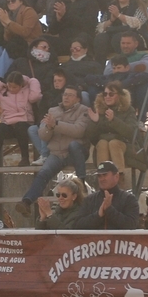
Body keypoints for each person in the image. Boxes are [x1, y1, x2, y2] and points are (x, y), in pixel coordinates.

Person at [71, 162, 139, 297]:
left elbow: (131, 225)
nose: (101, 179)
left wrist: (110, 210)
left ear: (116, 176)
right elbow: (78, 225)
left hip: (121, 262)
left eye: (105, 175)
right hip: (96, 261)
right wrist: (100, 213)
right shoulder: (91, 200)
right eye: (99, 175)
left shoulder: (128, 199)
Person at [37, 179, 87, 297]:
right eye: (58, 195)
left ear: (74, 196)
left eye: (64, 195)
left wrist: (50, 215)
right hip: (57, 266)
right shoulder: (57, 212)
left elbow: (67, 235)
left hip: (72, 267)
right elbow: (39, 236)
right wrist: (43, 218)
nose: (60, 198)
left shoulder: (79, 213)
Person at [19, 85, 92, 213]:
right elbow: (43, 136)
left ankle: (82, 182)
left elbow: (79, 131)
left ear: (78, 99)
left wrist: (56, 124)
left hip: (75, 152)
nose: (66, 97)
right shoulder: (52, 111)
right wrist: (49, 127)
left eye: (70, 95)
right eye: (65, 94)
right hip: (57, 153)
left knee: (74, 145)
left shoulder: (84, 110)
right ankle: (26, 201)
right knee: (43, 174)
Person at [0, 70, 40, 167]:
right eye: (10, 86)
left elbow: (35, 96)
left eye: (15, 87)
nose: (12, 89)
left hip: (24, 124)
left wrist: (31, 80)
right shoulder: (3, 93)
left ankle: (25, 158)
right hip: (9, 124)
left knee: (20, 126)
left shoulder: (27, 91)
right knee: (0, 128)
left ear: (21, 85)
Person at [87, 80, 137, 185]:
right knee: (102, 143)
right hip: (103, 146)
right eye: (105, 94)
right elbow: (93, 139)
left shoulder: (128, 110)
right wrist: (95, 122)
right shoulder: (100, 110)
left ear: (119, 95)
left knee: (113, 143)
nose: (107, 97)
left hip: (123, 145)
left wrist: (114, 120)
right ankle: (102, 178)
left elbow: (131, 133)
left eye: (111, 94)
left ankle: (119, 178)